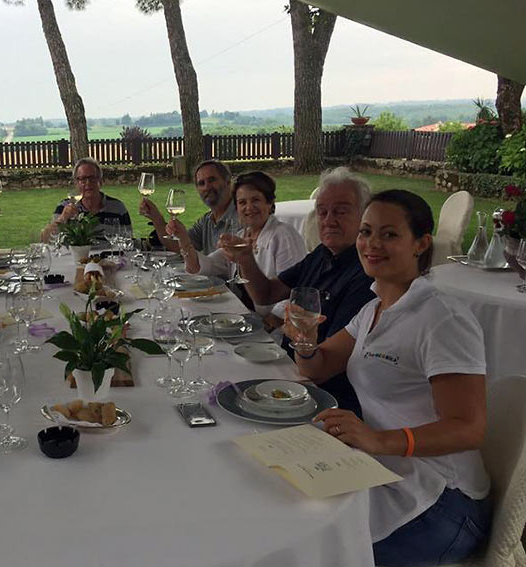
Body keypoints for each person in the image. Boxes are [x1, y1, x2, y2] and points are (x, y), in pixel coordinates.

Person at [287, 190, 491, 566]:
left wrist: (378, 439)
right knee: (286, 509)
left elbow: (469, 428)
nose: (371, 244)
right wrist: (304, 342)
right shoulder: (374, 309)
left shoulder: (442, 319)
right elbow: (317, 366)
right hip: (384, 471)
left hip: (443, 499)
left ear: (421, 243)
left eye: (389, 234)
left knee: (312, 550)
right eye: (365, 232)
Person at [233, 167, 376, 416]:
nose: (329, 219)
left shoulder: (366, 274)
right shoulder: (321, 255)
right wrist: (246, 258)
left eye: (341, 211)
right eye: (322, 212)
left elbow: (325, 366)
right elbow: (265, 294)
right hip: (288, 368)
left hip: (320, 395)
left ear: (365, 217)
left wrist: (299, 342)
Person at [168, 171, 306, 319]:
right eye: (242, 202)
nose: (249, 207)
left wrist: (271, 321)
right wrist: (184, 240)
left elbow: (296, 291)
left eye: (255, 200)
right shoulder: (241, 236)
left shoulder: (283, 236)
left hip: (275, 329)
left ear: (269, 202)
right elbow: (203, 267)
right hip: (242, 320)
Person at [140, 159, 240, 255]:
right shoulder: (207, 220)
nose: (207, 187)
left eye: (212, 180)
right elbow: (180, 246)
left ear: (227, 182)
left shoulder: (241, 217)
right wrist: (156, 218)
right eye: (201, 183)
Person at [39, 157, 132, 243]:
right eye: (83, 179)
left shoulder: (118, 208)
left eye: (92, 178)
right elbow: (45, 240)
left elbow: (128, 240)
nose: (88, 183)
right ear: (76, 183)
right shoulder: (64, 206)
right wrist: (62, 218)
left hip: (108, 259)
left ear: (100, 181)